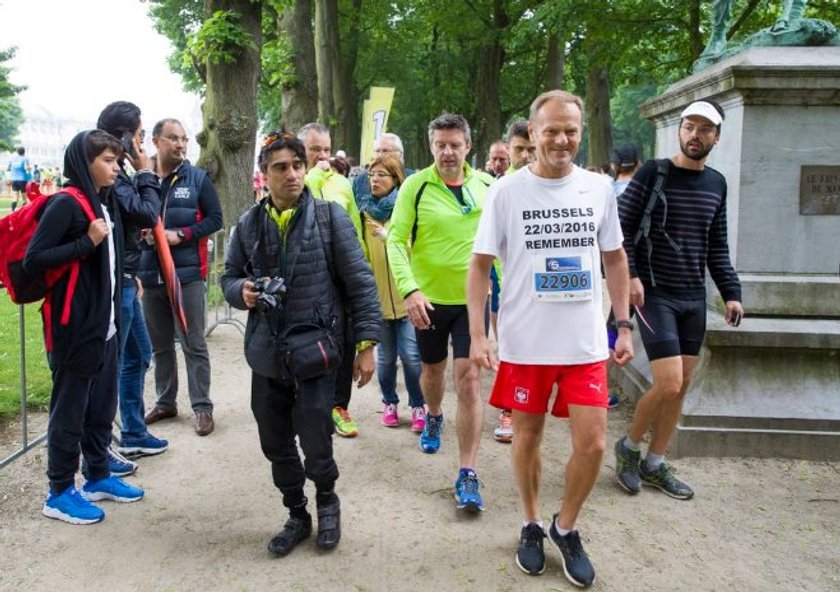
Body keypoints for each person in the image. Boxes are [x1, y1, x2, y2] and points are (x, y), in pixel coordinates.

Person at [467, 90, 634, 587]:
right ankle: (530, 523)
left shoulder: (598, 188)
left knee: (594, 443)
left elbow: (615, 258)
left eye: (571, 131)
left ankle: (565, 526)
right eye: (552, 131)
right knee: (527, 437)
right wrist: (479, 335)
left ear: (580, 133)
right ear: (533, 134)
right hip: (526, 343)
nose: (562, 140)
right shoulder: (506, 192)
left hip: (583, 344)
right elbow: (478, 267)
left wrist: (622, 323)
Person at [221, 131, 380, 557]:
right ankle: (297, 511)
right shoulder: (248, 225)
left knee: (315, 436)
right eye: (280, 167)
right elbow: (229, 277)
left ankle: (327, 500)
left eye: (297, 165)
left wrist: (366, 343)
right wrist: (244, 293)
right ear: (264, 175)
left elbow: (361, 282)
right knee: (274, 441)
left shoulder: (331, 218)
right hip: (267, 353)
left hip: (317, 350)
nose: (291, 174)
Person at [613, 100, 744, 501]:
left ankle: (655, 462)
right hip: (653, 293)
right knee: (668, 381)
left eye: (705, 129)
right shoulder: (653, 172)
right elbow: (620, 229)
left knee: (681, 385)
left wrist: (731, 293)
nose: (695, 135)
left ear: (716, 137)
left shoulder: (717, 183)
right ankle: (629, 448)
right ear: (680, 130)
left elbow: (716, 246)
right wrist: (631, 275)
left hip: (692, 296)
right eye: (690, 126)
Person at [24, 130, 146, 525]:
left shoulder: (102, 202)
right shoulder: (66, 204)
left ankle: (97, 475)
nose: (116, 167)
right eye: (108, 161)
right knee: (70, 411)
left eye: (117, 160)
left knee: (100, 407)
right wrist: (86, 243)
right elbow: (35, 259)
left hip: (104, 326)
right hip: (74, 328)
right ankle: (59, 491)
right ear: (84, 162)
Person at [387, 112, 494, 512]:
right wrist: (410, 290)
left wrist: (508, 294)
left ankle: (467, 472)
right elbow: (396, 241)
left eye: (455, 144)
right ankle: (433, 414)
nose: (448, 152)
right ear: (431, 147)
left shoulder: (487, 186)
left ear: (468, 146)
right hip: (428, 301)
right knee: (432, 371)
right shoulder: (415, 186)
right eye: (440, 145)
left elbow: (500, 244)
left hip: (472, 303)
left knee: (468, 381)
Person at [139, 119, 223, 436]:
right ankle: (165, 402)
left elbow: (216, 219)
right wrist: (141, 234)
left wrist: (183, 235)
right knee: (160, 346)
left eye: (184, 139)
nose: (180, 144)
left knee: (193, 343)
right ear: (157, 141)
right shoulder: (142, 179)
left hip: (186, 276)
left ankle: (202, 407)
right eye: (173, 138)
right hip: (150, 275)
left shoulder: (197, 178)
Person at [96, 101, 168, 464]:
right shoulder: (120, 176)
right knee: (111, 364)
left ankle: (134, 432)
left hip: (127, 278)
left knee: (138, 354)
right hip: (117, 283)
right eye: (140, 135)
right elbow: (146, 213)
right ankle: (101, 448)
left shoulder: (119, 175)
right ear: (125, 135)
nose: (142, 144)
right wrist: (146, 173)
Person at [299, 122, 365, 438]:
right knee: (309, 339)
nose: (323, 156)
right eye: (315, 150)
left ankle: (339, 405)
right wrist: (313, 175)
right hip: (307, 276)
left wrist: (360, 266)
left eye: (326, 149)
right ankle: (309, 405)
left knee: (344, 340)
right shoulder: (296, 181)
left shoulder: (342, 183)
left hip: (340, 275)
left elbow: (354, 228)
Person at [358, 154, 426, 431]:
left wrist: (388, 239)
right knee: (385, 359)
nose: (374, 180)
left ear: (396, 179)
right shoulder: (363, 212)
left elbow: (419, 252)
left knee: (411, 356)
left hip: (407, 299)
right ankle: (389, 402)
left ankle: (419, 404)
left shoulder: (406, 209)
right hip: (378, 303)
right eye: (372, 175)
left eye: (381, 175)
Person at [493, 119, 538, 444]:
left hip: (543, 284)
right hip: (504, 282)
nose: (525, 156)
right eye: (519, 149)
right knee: (511, 344)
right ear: (509, 149)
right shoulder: (499, 189)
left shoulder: (549, 183)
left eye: (530, 149)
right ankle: (508, 408)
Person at [352, 133, 411, 211]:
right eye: (377, 151)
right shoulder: (360, 181)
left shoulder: (413, 179)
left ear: (400, 154)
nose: (380, 155)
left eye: (385, 151)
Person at [7, 146, 30, 212]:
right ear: (24, 152)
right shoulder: (25, 159)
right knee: (24, 198)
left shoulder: (12, 159)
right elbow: (27, 169)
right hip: (22, 179)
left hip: (14, 180)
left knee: (15, 197)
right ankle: (24, 211)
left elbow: (8, 169)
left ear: (17, 152)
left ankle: (12, 211)